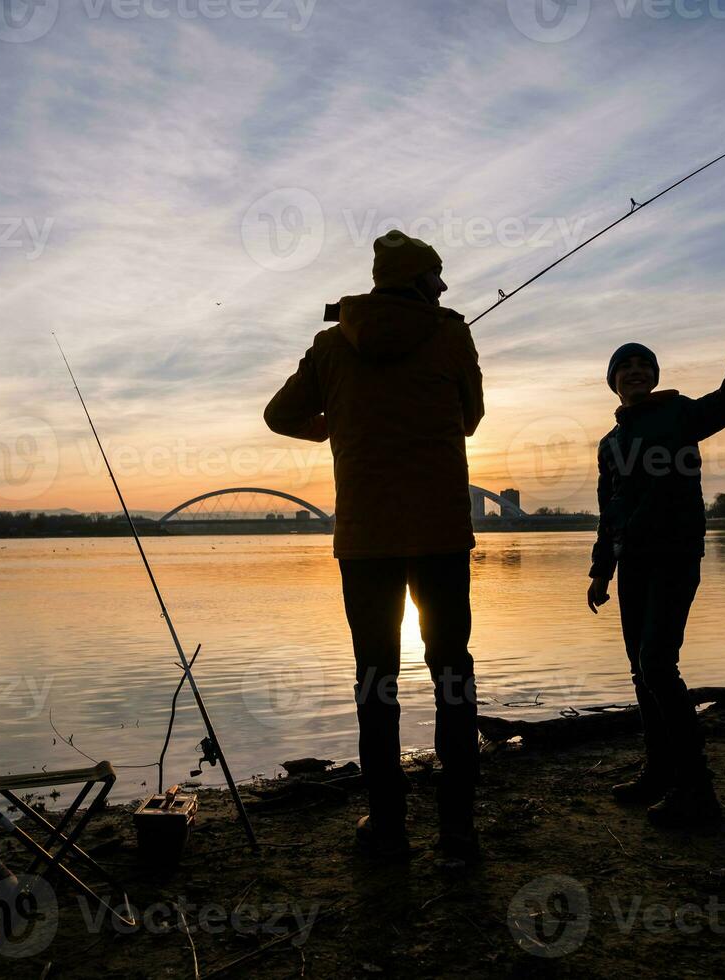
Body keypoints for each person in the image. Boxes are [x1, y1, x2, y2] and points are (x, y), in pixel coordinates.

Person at [264, 229, 484, 861]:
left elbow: (280, 415)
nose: (444, 289)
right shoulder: (452, 333)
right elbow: (469, 419)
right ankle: (457, 830)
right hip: (440, 533)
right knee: (452, 673)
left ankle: (388, 827)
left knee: (375, 679)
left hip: (365, 541)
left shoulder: (332, 345)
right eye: (438, 278)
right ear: (420, 281)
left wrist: (338, 423)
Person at [587, 317, 725, 828]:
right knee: (642, 671)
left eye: (645, 365)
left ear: (655, 376)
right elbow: (609, 509)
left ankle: (697, 790)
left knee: (658, 664)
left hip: (676, 554)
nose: (637, 371)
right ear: (614, 381)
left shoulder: (679, 414)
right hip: (632, 563)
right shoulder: (609, 444)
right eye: (626, 366)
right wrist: (601, 571)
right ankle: (659, 772)